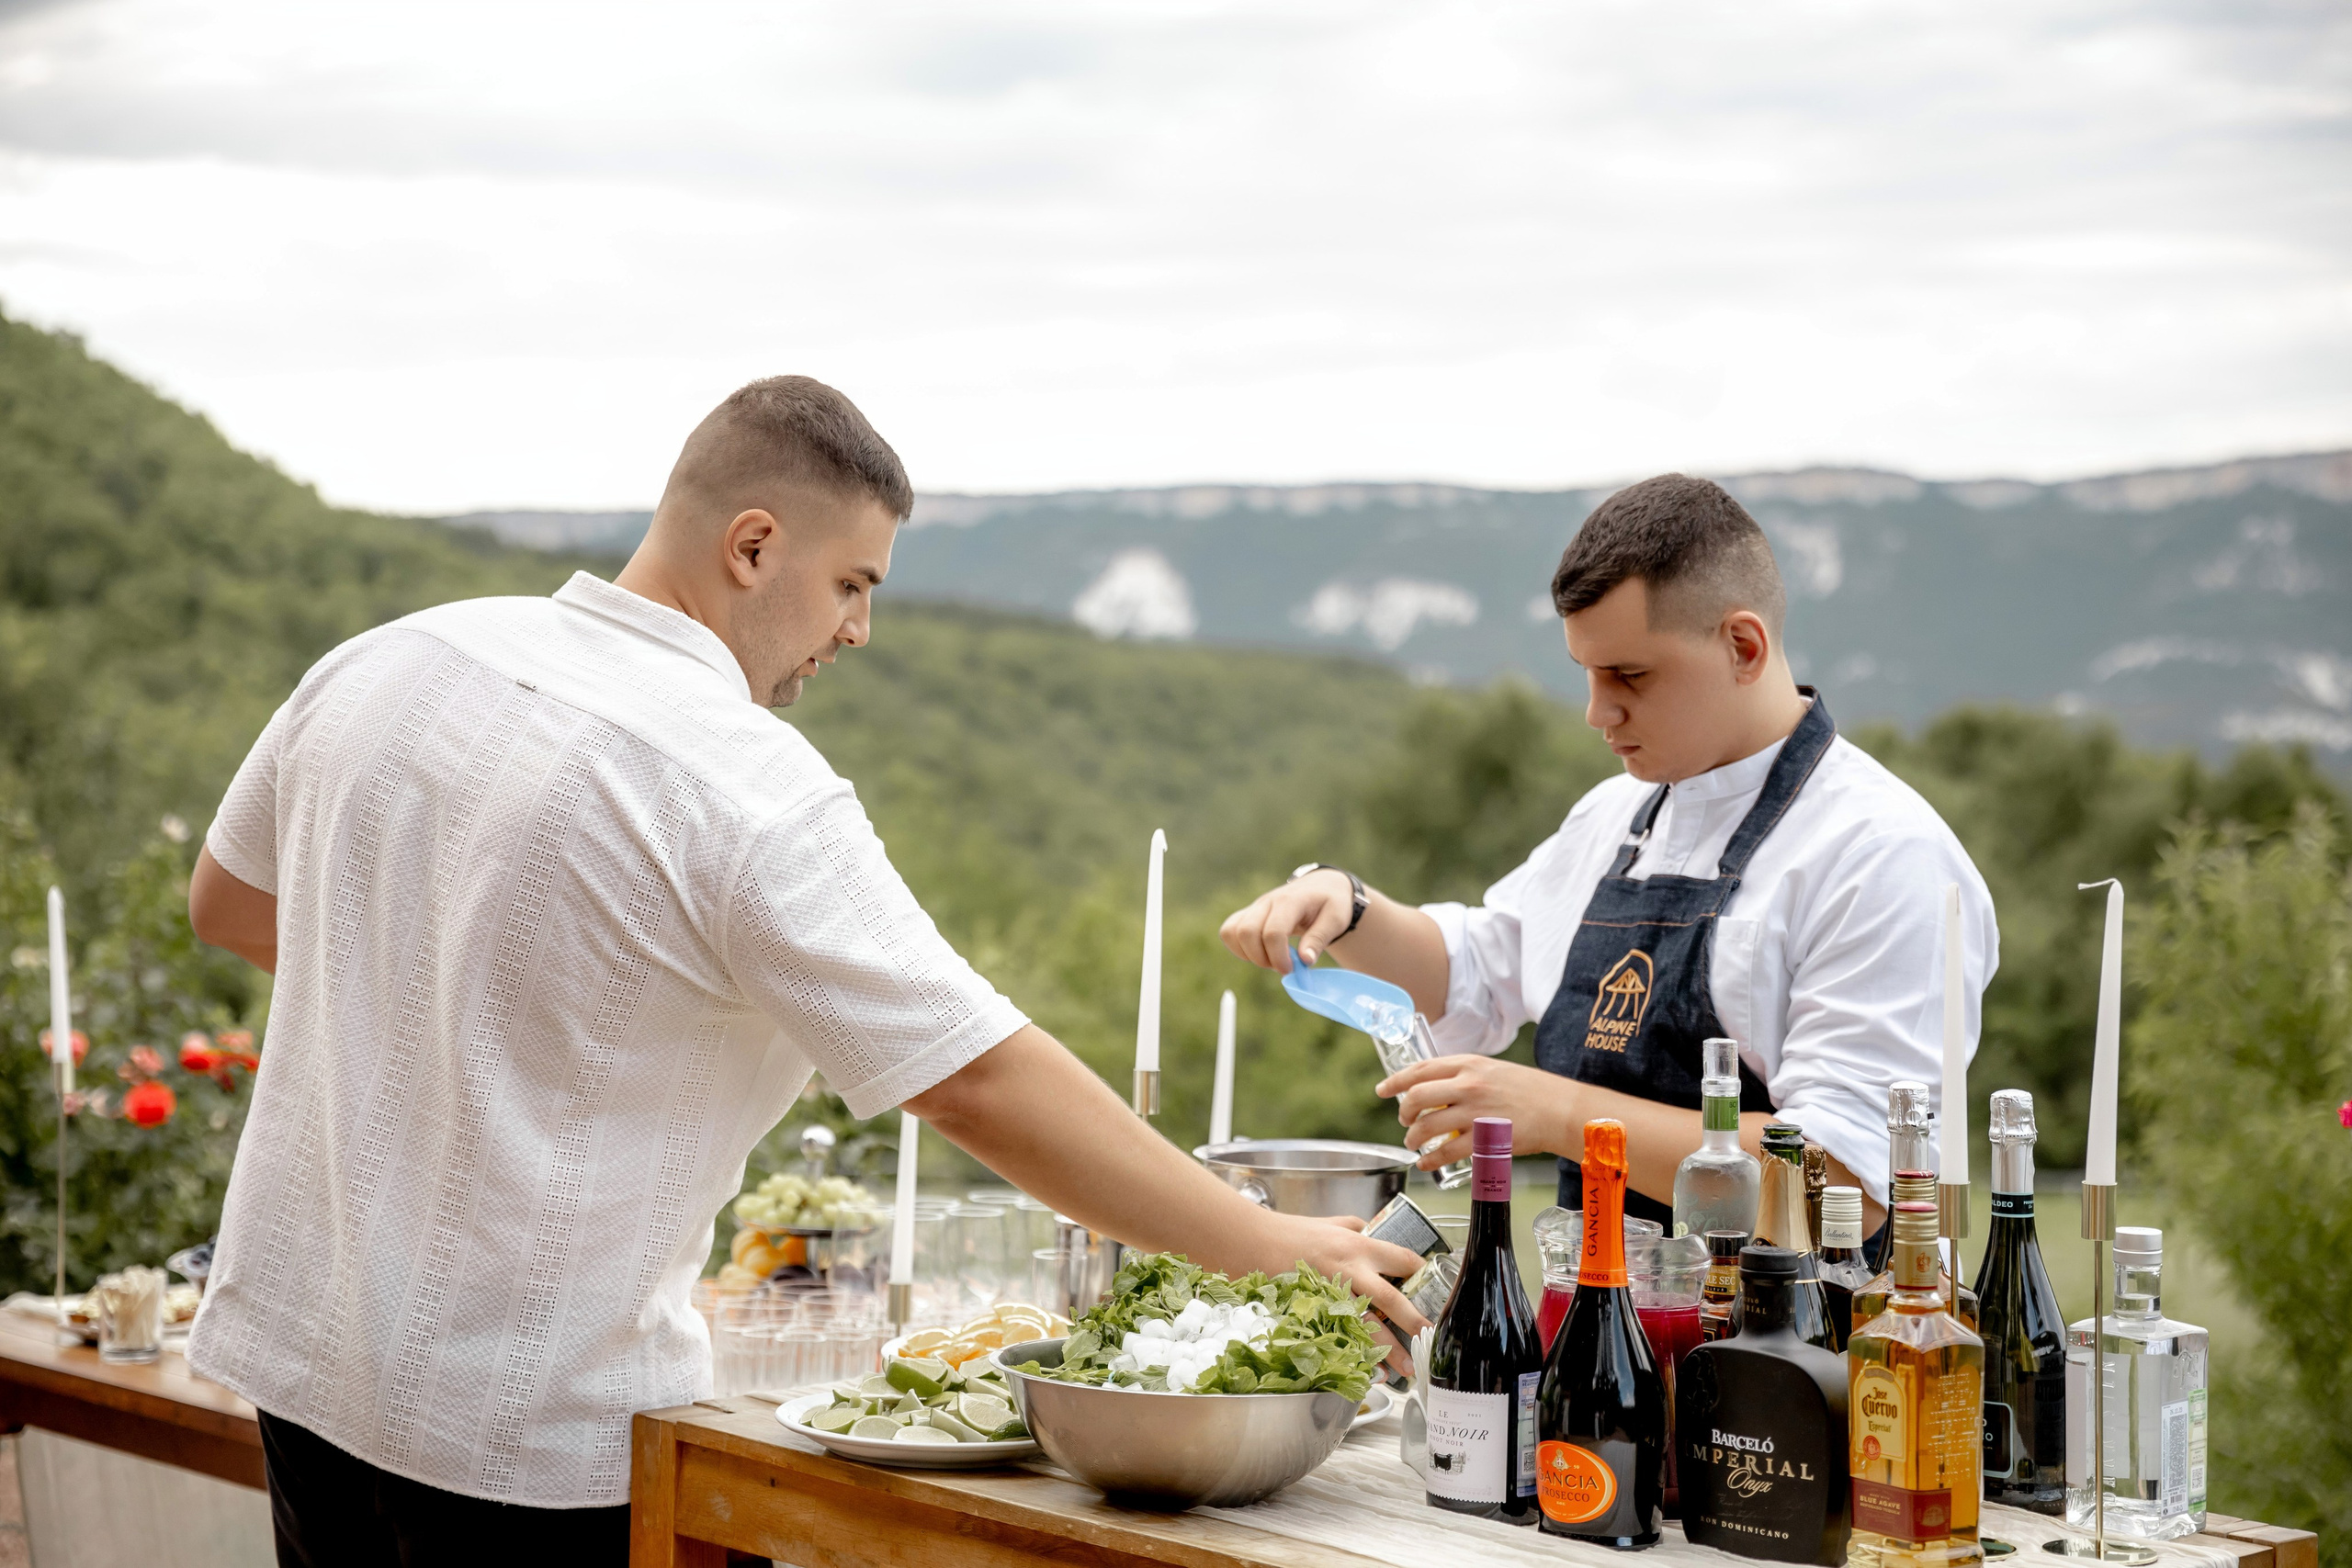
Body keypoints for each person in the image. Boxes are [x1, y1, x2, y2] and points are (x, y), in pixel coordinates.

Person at [187, 377, 1424, 1566]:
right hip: (538, 1442)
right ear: (753, 544)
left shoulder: (392, 654)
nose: (857, 628)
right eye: (850, 582)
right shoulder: (740, 780)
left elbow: (231, 901)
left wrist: (450, 987)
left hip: (313, 1374)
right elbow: (974, 1080)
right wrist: (1275, 1247)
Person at [1219, 473, 1997, 1236]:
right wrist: (1347, 906)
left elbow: (1846, 1187)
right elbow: (1482, 968)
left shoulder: (1884, 856)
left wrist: (1558, 1113)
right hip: (1595, 1339)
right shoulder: (1615, 813)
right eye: (1587, 674)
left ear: (1743, 645)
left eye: (1630, 674)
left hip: (1796, 1354)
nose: (1597, 711)